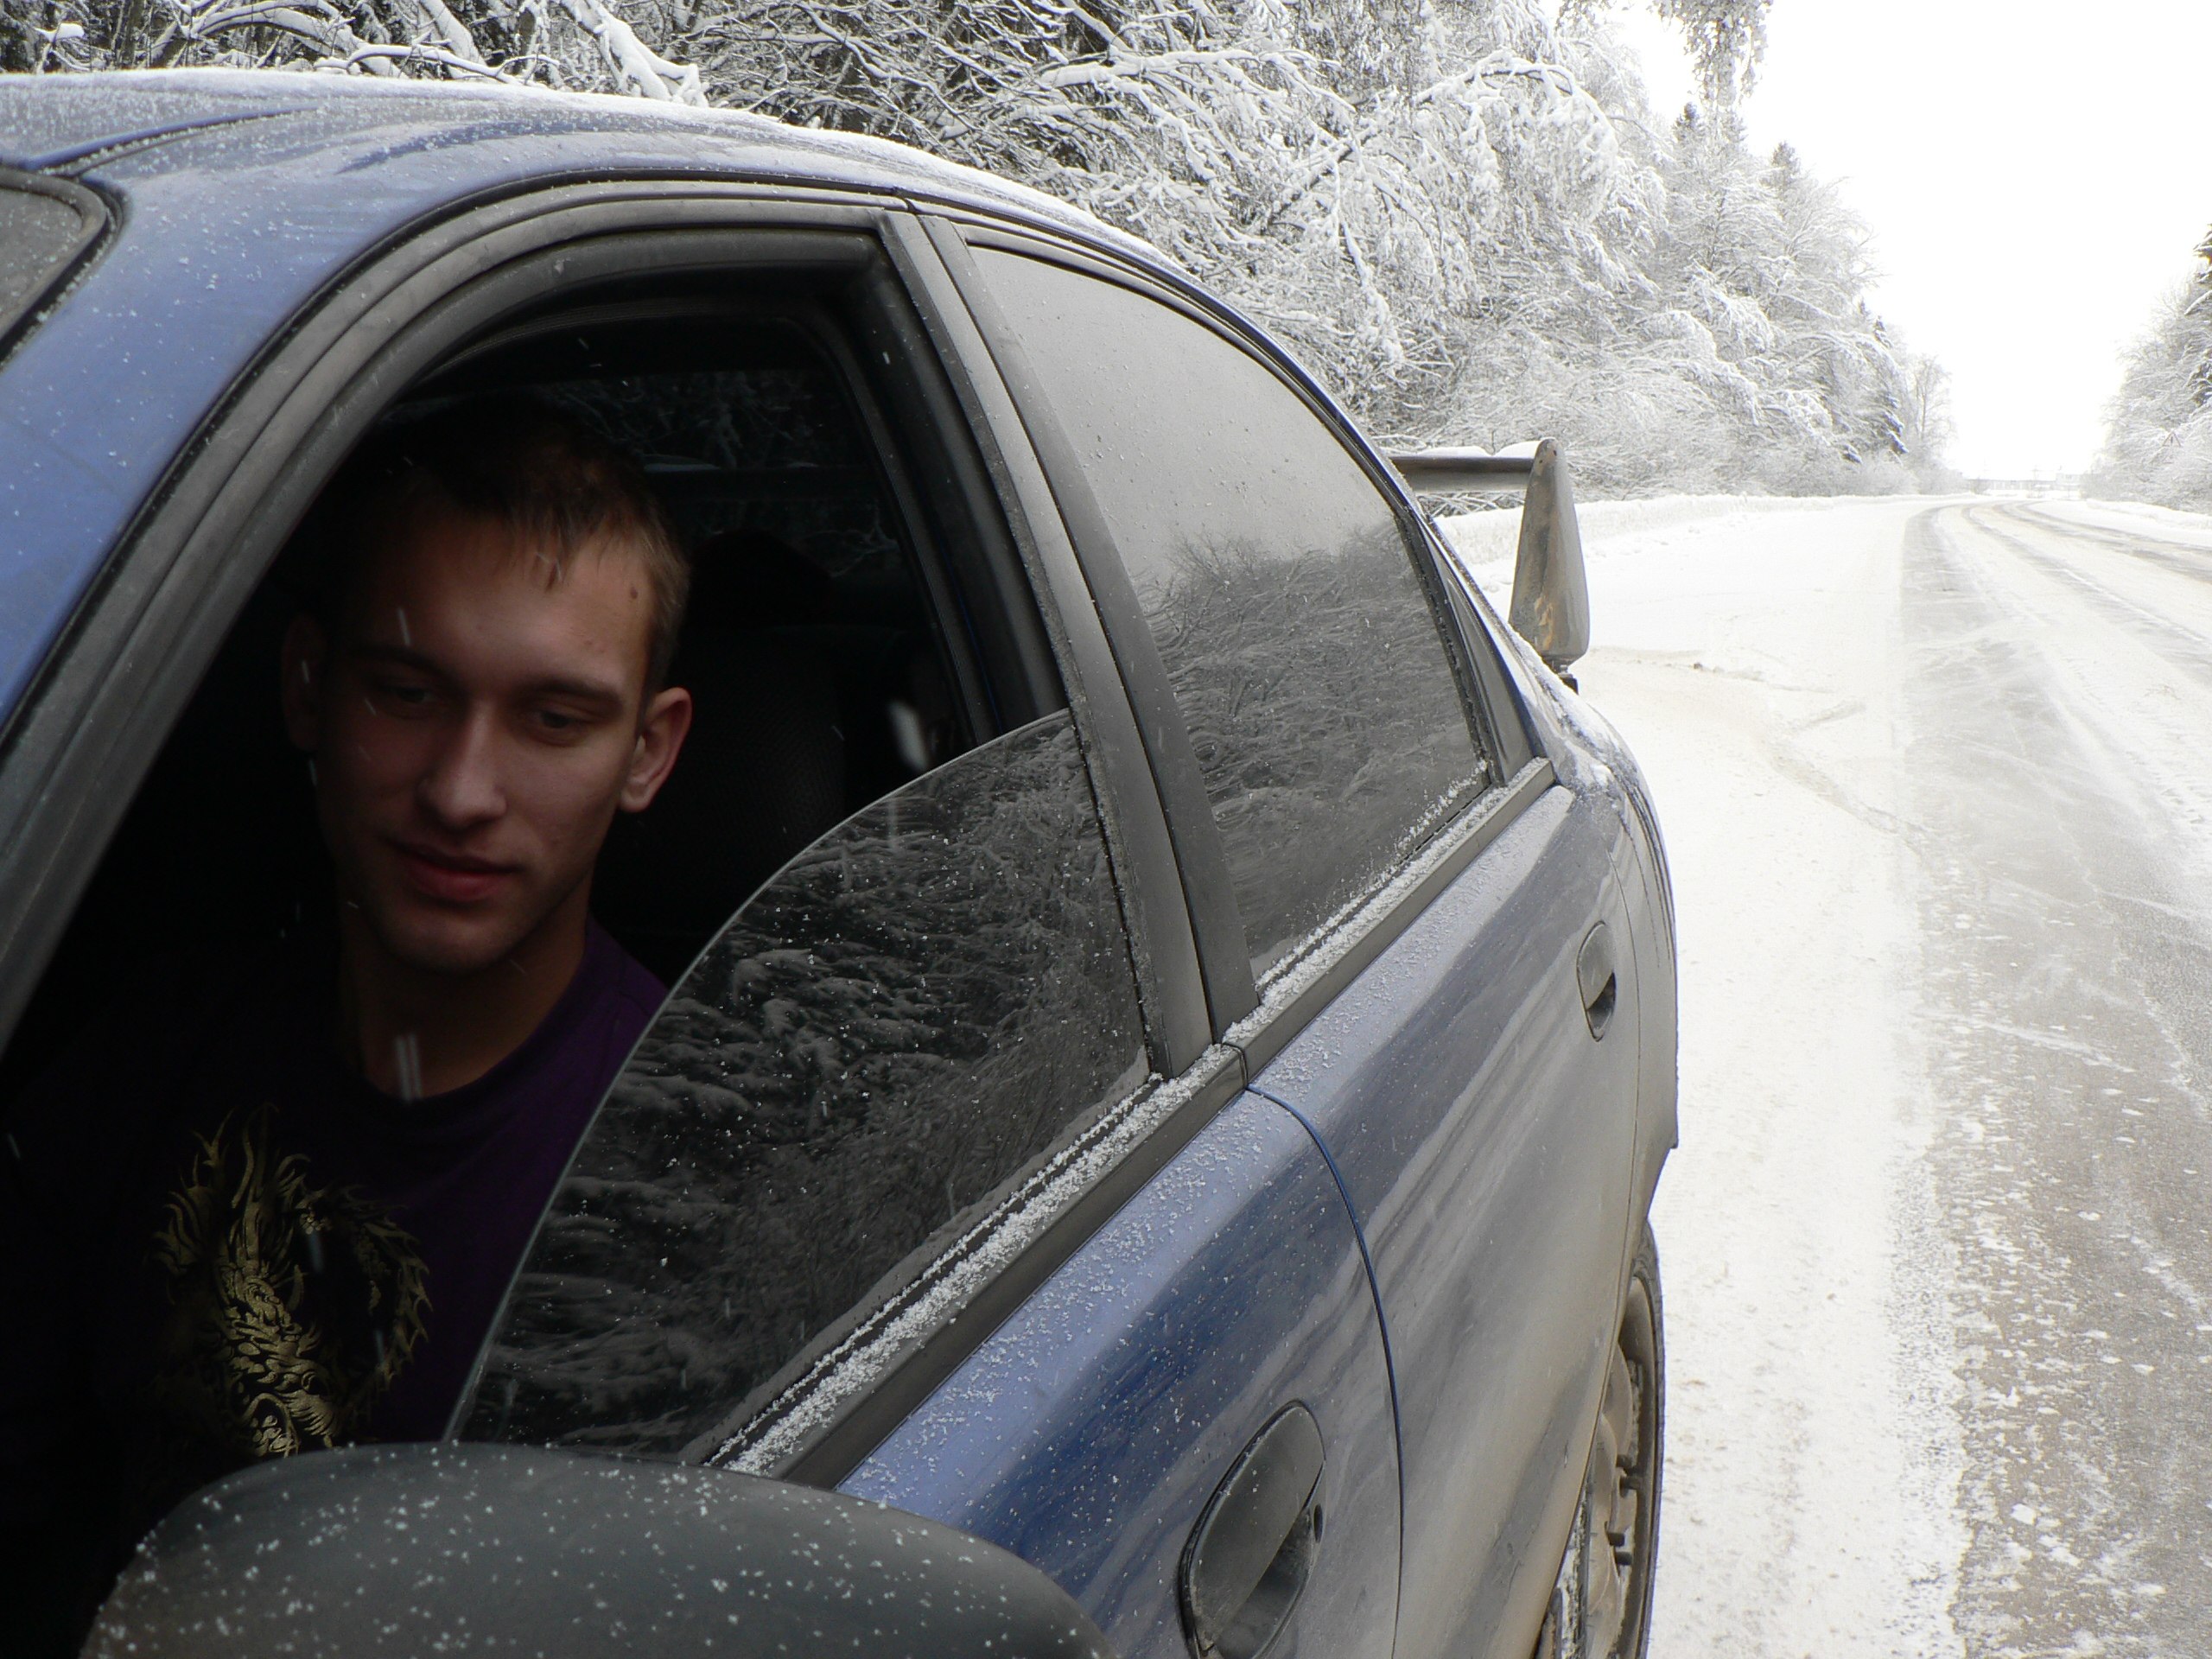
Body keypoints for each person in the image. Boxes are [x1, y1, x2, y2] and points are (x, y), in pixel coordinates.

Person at [0, 397, 694, 1647]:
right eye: (408, 692)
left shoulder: (679, 1177)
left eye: (553, 719)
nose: (462, 791)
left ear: (648, 752)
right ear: (309, 687)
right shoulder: (156, 1047)